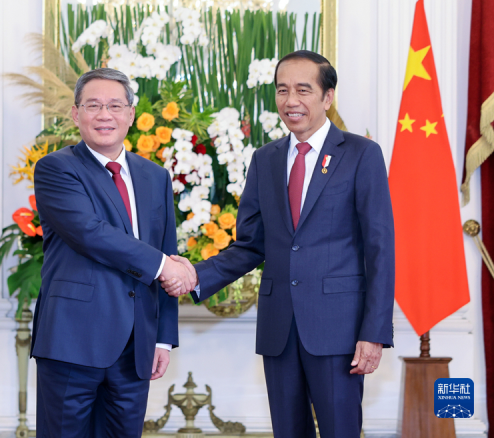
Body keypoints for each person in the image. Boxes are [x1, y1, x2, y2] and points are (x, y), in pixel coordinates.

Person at [162, 51, 395, 438]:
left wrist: (373, 332)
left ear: (327, 97)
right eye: (282, 90)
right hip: (279, 329)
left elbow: (380, 249)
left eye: (304, 90)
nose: (291, 101)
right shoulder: (265, 159)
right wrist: (193, 275)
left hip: (338, 329)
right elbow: (251, 245)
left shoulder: (361, 154)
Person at [31, 68, 194, 437]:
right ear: (76, 114)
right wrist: (164, 265)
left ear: (131, 114)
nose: (105, 115)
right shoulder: (56, 169)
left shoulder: (155, 176)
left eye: (115, 105)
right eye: (93, 105)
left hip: (135, 347)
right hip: (72, 341)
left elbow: (166, 248)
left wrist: (163, 337)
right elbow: (92, 234)